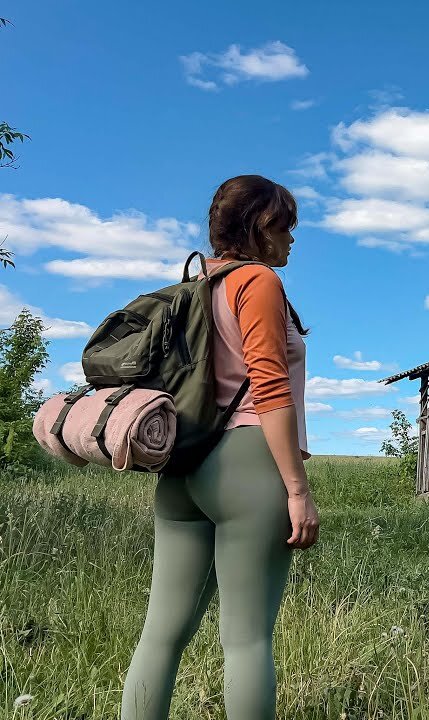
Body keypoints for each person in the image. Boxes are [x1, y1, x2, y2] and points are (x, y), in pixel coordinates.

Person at [121, 175, 320, 720]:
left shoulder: (194, 286)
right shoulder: (257, 282)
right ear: (261, 226)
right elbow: (270, 385)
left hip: (184, 463)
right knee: (247, 639)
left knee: (161, 633)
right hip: (247, 465)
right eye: (286, 228)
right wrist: (297, 490)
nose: (292, 241)